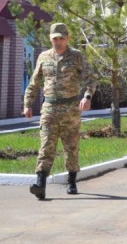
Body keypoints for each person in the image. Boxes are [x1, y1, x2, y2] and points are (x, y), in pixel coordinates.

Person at [23, 23, 97, 200]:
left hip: (70, 109)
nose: (57, 42)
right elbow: (34, 82)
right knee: (46, 146)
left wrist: (87, 97)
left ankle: (71, 181)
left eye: (61, 38)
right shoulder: (43, 57)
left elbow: (91, 79)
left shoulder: (77, 57)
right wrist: (27, 104)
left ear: (67, 38)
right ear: (50, 39)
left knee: (71, 147)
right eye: (54, 39)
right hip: (49, 108)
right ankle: (40, 184)